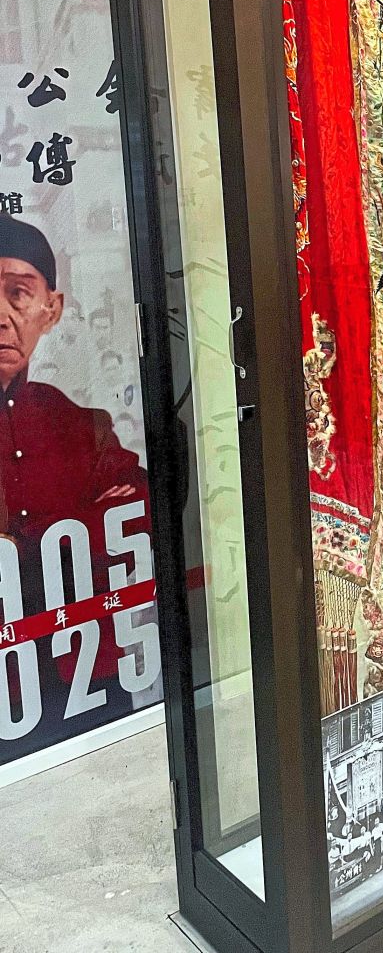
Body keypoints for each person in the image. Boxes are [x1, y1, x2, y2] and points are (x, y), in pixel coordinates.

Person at [0, 216, 148, 755]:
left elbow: (140, 507)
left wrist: (28, 546)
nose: (1, 317)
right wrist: (79, 530)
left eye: (19, 294)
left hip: (83, 675)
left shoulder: (79, 423)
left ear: (51, 309)